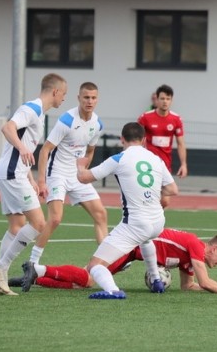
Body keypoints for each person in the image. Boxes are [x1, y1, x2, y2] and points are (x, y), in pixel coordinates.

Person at [70, 121, 178, 299]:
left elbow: (84, 178)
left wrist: (80, 165)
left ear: (122, 139)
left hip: (136, 224)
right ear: (144, 140)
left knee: (95, 265)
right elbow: (173, 190)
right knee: (145, 240)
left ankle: (112, 290)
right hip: (158, 222)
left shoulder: (119, 159)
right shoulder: (156, 159)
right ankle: (156, 280)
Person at [18, 82, 108, 288]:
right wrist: (42, 181)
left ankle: (106, 259)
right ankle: (32, 263)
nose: (90, 101)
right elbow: (45, 150)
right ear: (79, 98)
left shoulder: (97, 124)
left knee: (101, 214)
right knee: (56, 219)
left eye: (93, 98)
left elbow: (90, 151)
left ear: (97, 99)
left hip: (76, 175)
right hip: (57, 173)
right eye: (86, 97)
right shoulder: (67, 120)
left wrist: (84, 169)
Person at [0, 73, 68, 295]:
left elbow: (24, 145)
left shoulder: (39, 114)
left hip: (14, 173)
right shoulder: (31, 109)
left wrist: (31, 179)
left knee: (17, 226)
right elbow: (8, 128)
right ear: (55, 91)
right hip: (12, 174)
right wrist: (22, 149)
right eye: (64, 94)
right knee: (39, 223)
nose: (64, 98)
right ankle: (1, 267)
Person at [19, 229, 217, 294]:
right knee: (90, 277)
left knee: (83, 282)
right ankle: (38, 268)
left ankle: (36, 277)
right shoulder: (195, 245)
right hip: (129, 243)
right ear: (213, 249)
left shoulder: (191, 260)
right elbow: (205, 282)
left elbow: (188, 285)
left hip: (133, 251)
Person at [138, 84, 188, 178]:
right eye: (162, 98)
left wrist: (183, 165)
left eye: (168, 99)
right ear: (157, 99)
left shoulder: (176, 119)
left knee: (170, 187)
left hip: (166, 164)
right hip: (147, 164)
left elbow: (180, 144)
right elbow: (136, 140)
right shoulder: (145, 117)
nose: (165, 101)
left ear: (171, 101)